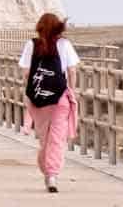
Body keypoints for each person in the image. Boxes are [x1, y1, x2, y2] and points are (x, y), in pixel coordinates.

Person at [19, 12, 81, 193]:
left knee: (45, 138)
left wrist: (31, 90)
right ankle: (51, 173)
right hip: (59, 97)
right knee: (56, 138)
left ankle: (47, 169)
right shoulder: (64, 44)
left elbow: (25, 73)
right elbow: (72, 71)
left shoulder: (32, 44)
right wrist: (71, 90)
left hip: (38, 99)